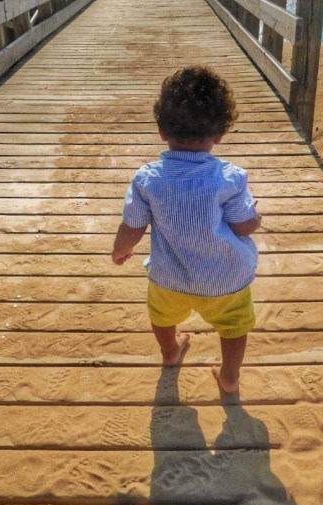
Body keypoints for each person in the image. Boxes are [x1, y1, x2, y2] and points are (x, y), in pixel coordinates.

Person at [112, 66, 261, 394]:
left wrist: (120, 250)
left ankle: (170, 351)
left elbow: (132, 226)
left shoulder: (148, 178)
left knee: (162, 316)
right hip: (226, 280)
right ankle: (230, 378)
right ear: (219, 134)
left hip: (169, 278)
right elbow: (243, 225)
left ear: (162, 130)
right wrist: (256, 218)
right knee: (234, 326)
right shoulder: (231, 178)